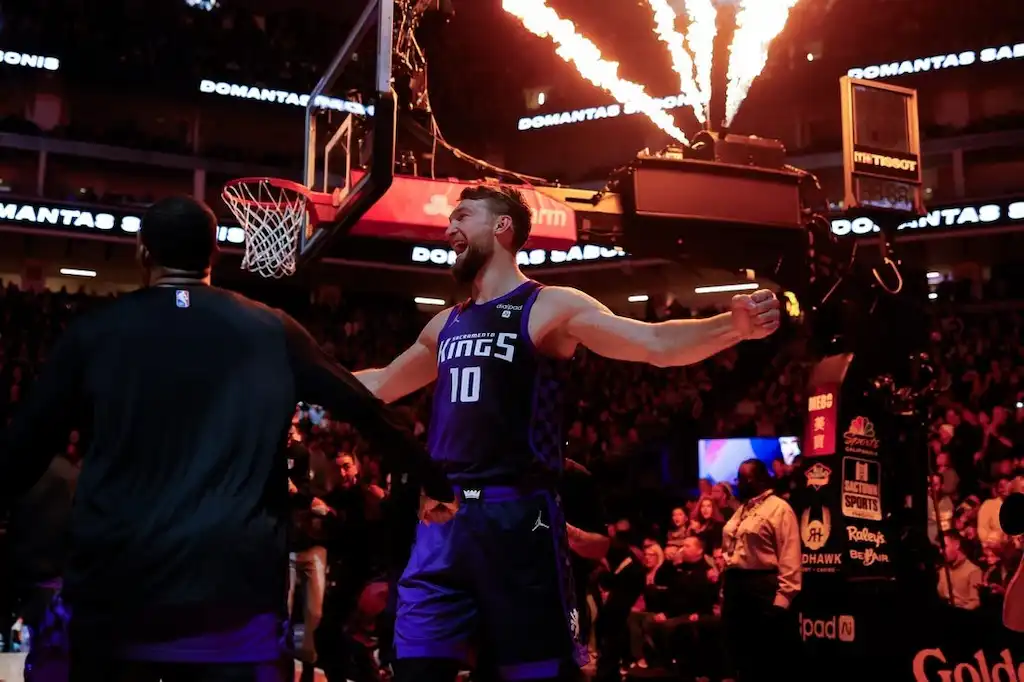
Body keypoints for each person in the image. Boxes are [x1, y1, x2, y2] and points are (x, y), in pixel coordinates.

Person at [0, 195, 453, 682]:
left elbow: (24, 449)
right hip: (236, 594)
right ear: (215, 254)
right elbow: (366, 409)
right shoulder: (273, 329)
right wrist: (436, 480)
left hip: (115, 588)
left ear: (143, 253)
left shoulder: (93, 332)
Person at [354, 185, 781, 682]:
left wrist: (731, 326)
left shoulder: (548, 306)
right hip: (445, 523)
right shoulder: (444, 325)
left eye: (463, 216)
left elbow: (653, 344)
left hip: (519, 519)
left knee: (533, 673)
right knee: (415, 670)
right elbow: (381, 383)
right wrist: (297, 373)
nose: (449, 228)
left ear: (502, 227)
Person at [720, 459, 801, 682]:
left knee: (763, 658)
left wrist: (783, 598)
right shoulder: (743, 509)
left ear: (754, 479)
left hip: (761, 588)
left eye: (742, 477)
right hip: (737, 586)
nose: (738, 482)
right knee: (738, 654)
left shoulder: (779, 508)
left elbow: (790, 554)